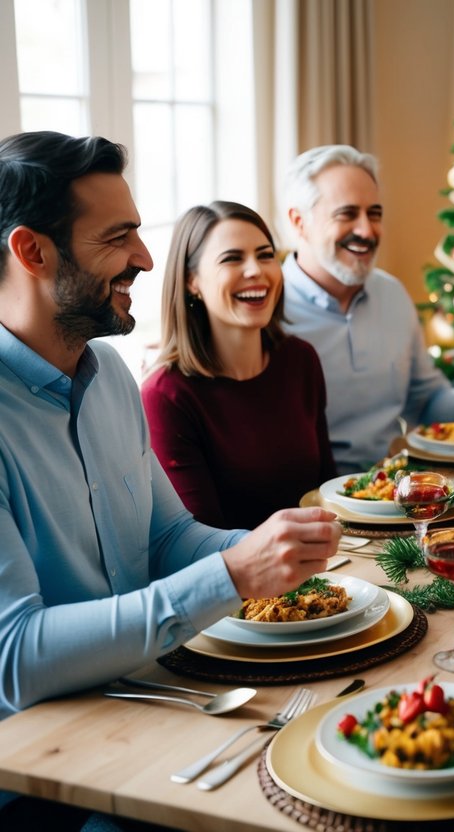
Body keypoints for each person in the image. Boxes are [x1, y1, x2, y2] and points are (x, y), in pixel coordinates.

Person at [0, 132, 341, 718]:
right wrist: (234, 573)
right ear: (32, 252)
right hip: (40, 771)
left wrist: (274, 550)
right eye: (116, 237)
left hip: (153, 697)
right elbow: (14, 657)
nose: (146, 257)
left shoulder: (108, 372)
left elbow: (167, 538)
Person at [280, 145, 454, 473]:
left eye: (374, 213)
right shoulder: (268, 312)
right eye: (347, 214)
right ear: (299, 222)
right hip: (305, 503)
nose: (367, 230)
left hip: (391, 491)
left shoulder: (392, 294)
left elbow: (427, 402)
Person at [142, 201, 337, 528]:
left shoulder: (300, 359)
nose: (256, 270)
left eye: (265, 255)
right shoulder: (165, 396)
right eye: (232, 258)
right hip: (237, 575)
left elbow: (327, 492)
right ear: (192, 282)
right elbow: (200, 542)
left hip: (330, 565)